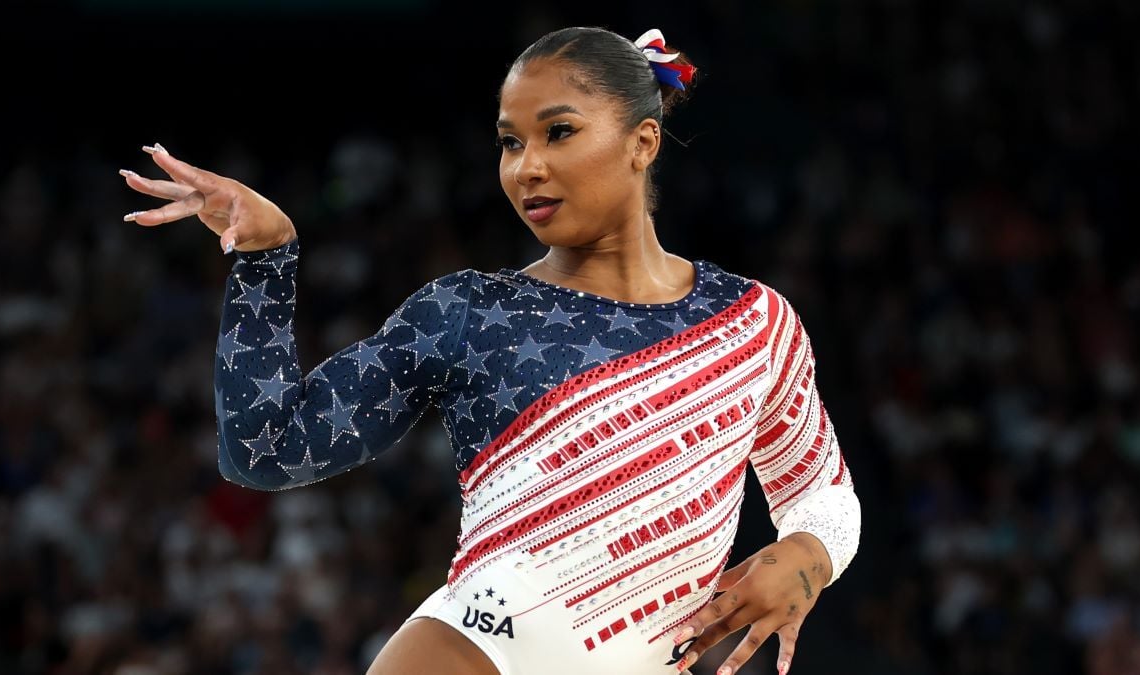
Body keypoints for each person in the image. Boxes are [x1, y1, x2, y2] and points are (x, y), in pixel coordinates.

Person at [120, 26, 860, 675]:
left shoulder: (752, 321)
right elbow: (264, 449)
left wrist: (807, 557)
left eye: (558, 132)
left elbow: (823, 495)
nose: (525, 167)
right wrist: (265, 259)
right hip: (481, 645)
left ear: (643, 141)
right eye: (511, 141)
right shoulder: (469, 311)